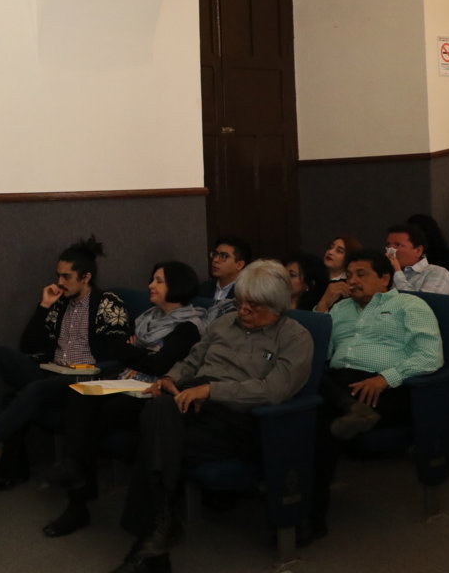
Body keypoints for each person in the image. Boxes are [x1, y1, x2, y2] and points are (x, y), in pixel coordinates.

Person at [106, 261, 314, 573]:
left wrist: (211, 390)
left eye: (253, 305)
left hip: (237, 420)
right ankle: (156, 536)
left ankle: (155, 536)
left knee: (155, 431)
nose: (243, 310)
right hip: (192, 406)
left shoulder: (294, 337)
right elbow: (191, 361)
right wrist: (171, 378)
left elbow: (273, 390)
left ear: (276, 305)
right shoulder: (224, 323)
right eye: (240, 301)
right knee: (157, 411)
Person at [0, 236, 129, 481]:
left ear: (86, 277)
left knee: (35, 389)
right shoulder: (60, 303)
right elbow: (28, 346)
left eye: (66, 277)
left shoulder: (107, 303)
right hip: (53, 371)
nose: (60, 282)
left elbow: (119, 354)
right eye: (58, 276)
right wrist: (44, 306)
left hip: (83, 381)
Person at [42, 261, 208, 538]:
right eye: (152, 279)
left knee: (87, 424)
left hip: (151, 394)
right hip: (126, 381)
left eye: (158, 281)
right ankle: (75, 479)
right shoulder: (147, 318)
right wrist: (137, 354)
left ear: (176, 286)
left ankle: (77, 498)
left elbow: (158, 365)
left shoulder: (189, 327)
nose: (150, 285)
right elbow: (128, 353)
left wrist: (128, 351)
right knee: (78, 394)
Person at [321, 249, 443, 440]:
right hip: (339, 382)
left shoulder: (409, 304)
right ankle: (354, 411)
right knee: (308, 376)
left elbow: (430, 356)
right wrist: (323, 305)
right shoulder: (340, 308)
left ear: (385, 279)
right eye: (349, 275)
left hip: (383, 387)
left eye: (361, 275)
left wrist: (385, 379)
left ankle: (354, 413)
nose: (352, 281)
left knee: (315, 413)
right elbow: (320, 353)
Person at [385, 223, 449, 295]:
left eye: (398, 245)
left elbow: (422, 302)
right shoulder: (388, 273)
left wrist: (397, 272)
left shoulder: (438, 272)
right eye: (388, 245)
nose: (390, 250)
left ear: (418, 251)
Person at [314, 235, 361, 313]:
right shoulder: (315, 278)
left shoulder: (349, 286)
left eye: (339, 251)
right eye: (330, 247)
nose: (330, 252)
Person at [198, 236, 251, 302]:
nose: (215, 260)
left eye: (223, 256)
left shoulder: (248, 292)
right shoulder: (204, 288)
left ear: (239, 265)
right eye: (215, 254)